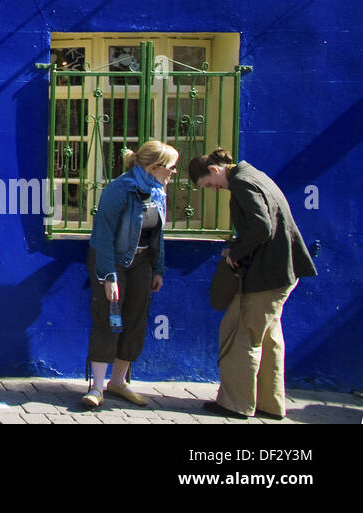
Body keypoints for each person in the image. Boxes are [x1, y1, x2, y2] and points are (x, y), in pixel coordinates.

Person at [189, 148, 317, 419]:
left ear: (214, 170)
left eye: (209, 185)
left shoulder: (242, 182)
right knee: (269, 339)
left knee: (240, 334)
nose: (214, 189)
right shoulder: (253, 175)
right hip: (282, 272)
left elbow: (261, 226)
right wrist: (237, 245)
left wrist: (236, 253)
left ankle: (235, 403)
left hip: (265, 275)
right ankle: (270, 404)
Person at [81, 139, 178, 409]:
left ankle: (119, 382)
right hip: (112, 260)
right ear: (155, 167)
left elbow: (158, 235)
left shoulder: (158, 191)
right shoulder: (120, 189)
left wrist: (158, 268)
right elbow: (103, 235)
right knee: (109, 317)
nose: (173, 173)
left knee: (136, 318)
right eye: (170, 168)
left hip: (142, 262)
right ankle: (97, 387)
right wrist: (108, 275)